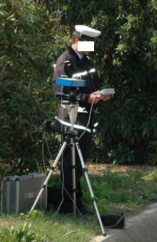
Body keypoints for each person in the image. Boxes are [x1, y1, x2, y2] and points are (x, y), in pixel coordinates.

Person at [52, 25, 113, 215]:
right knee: (70, 164)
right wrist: (88, 98)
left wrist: (99, 96)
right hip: (71, 119)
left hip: (86, 120)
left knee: (80, 164)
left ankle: (77, 203)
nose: (92, 47)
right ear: (77, 40)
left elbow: (93, 86)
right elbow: (61, 92)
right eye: (89, 43)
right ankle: (68, 205)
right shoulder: (65, 62)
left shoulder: (87, 61)